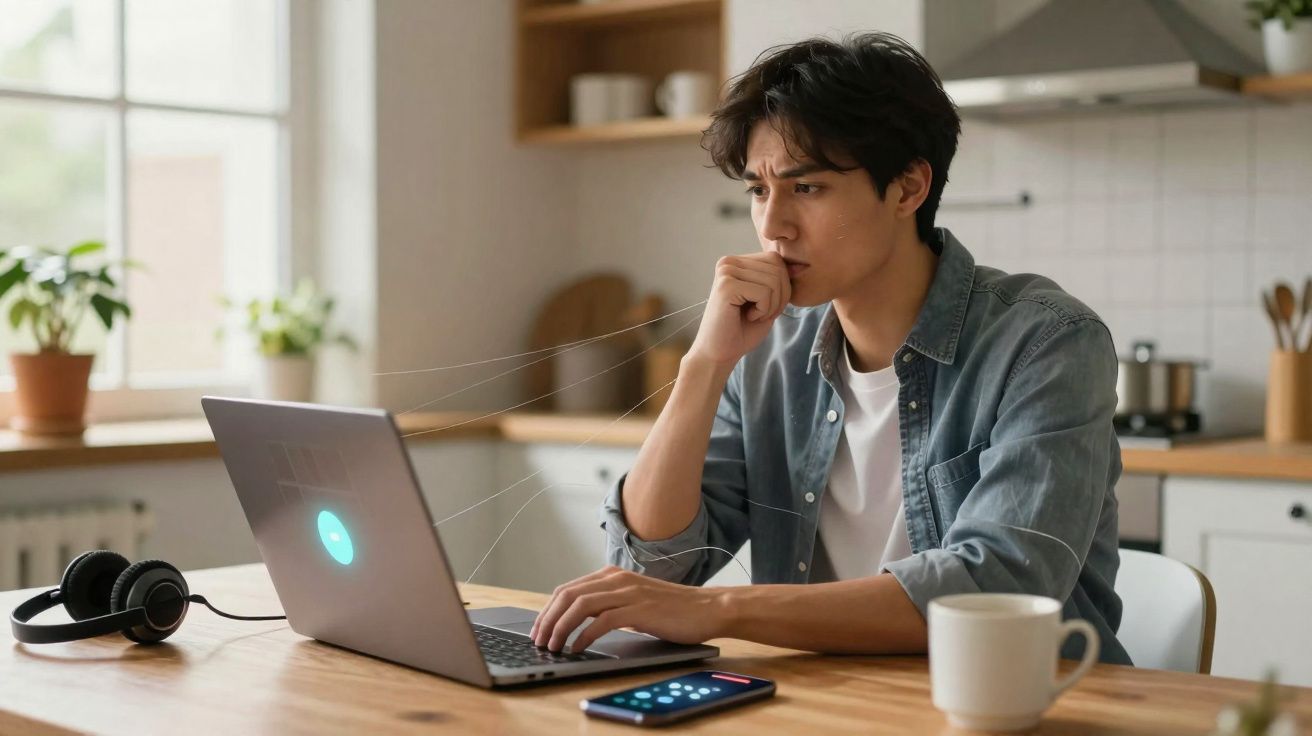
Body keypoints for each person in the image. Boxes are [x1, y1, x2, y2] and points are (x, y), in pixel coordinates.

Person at [530, 32, 1130, 665]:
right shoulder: (766, 352)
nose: (771, 226)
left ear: (907, 188)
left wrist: (723, 610)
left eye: (807, 188)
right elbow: (655, 568)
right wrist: (704, 365)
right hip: (828, 706)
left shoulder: (1047, 341)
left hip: (1020, 707)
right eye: (759, 191)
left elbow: (998, 588)